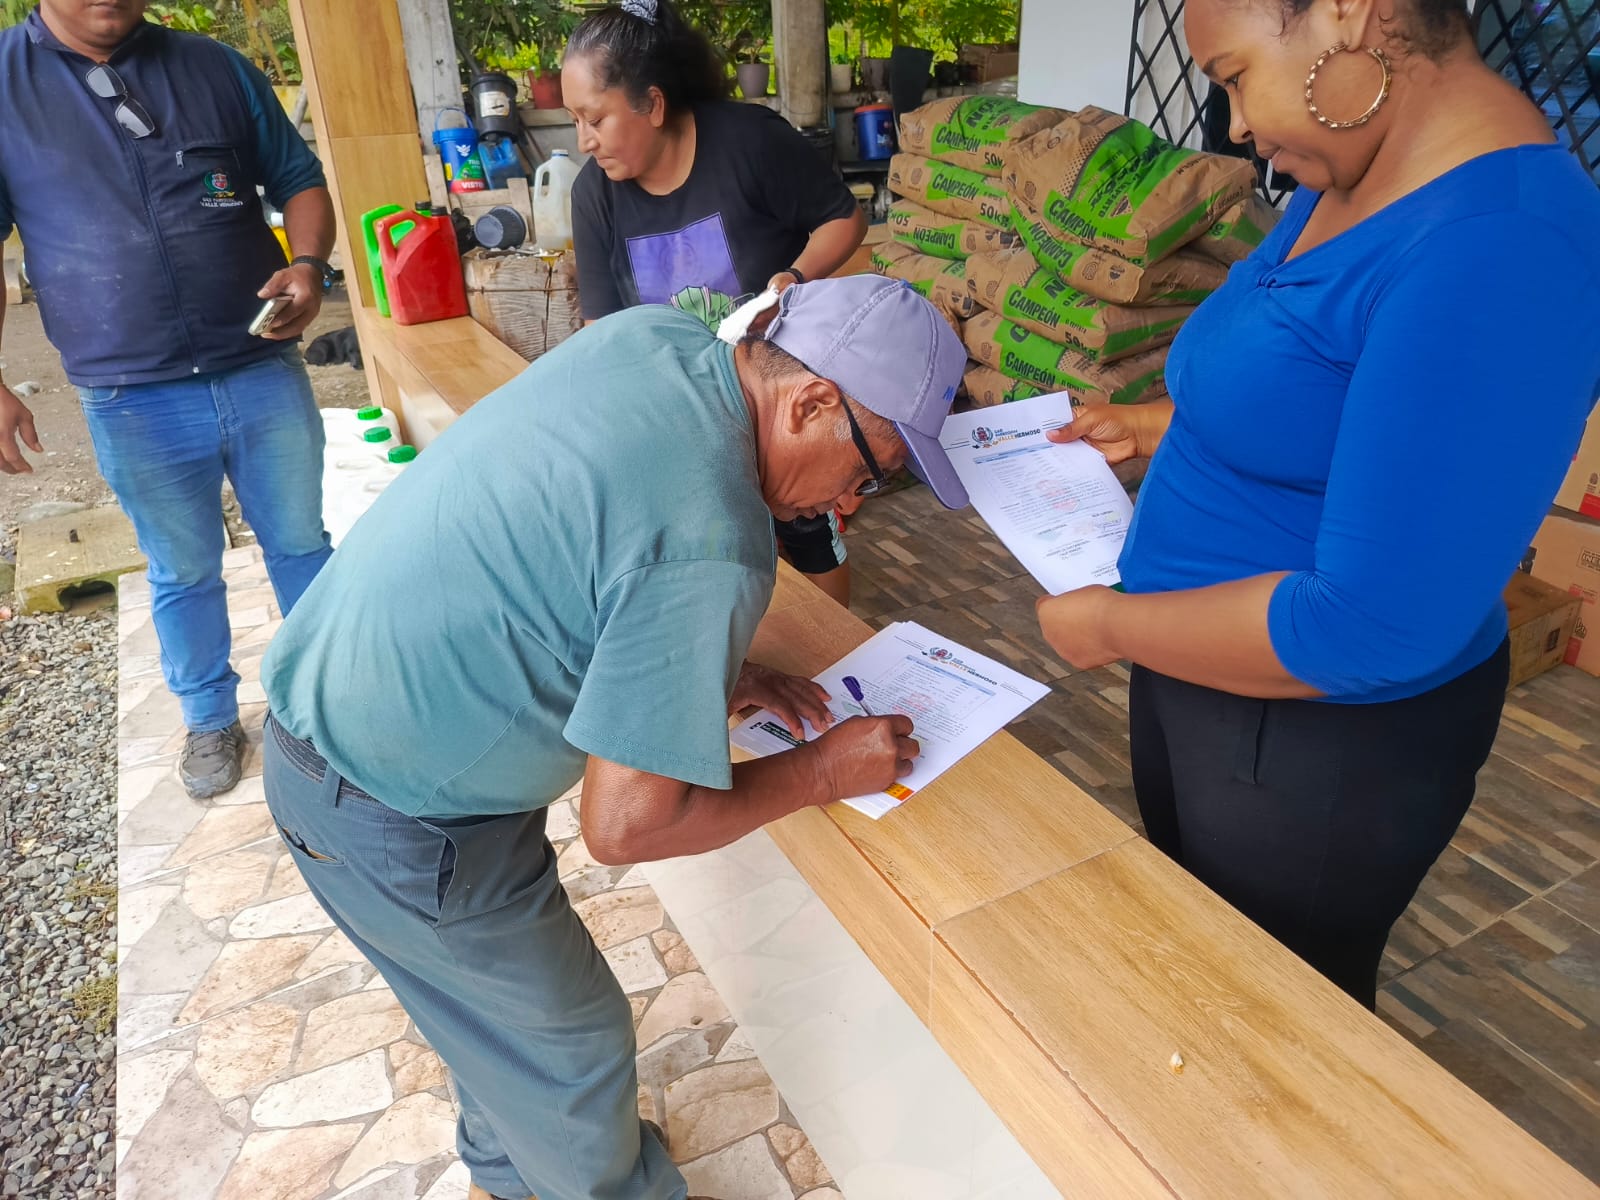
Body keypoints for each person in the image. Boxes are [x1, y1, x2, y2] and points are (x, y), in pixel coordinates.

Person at [260, 276, 966, 1200]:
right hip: (395, 810)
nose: (856, 502)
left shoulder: (655, 339)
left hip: (347, 726)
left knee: (496, 1022)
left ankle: (508, 1179)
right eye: (869, 472)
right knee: (570, 1046)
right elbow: (627, 827)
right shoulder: (715, 540)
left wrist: (707, 670)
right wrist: (824, 770)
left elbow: (598, 544)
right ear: (810, 403)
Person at [1035, 0, 1600, 1010]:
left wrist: (1110, 627)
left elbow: (1366, 627)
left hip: (1314, 745)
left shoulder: (1498, 247)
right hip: (1213, 684)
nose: (1237, 124)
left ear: (1348, 11)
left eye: (1233, 75)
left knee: (1272, 1025)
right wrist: (1158, 426)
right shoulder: (1357, 170)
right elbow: (1318, 392)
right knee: (1202, 978)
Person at [0, 0, 338, 798]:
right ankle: (210, 718)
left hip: (259, 364)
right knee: (182, 567)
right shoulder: (7, 85)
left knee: (301, 545)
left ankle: (334, 696)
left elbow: (299, 180)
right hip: (130, 392)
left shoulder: (214, 67)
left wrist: (309, 264)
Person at [564, 0, 870, 607]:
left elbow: (844, 218)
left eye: (594, 119)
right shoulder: (594, 195)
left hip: (778, 407)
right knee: (704, 564)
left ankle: (841, 652)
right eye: (573, 120)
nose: (583, 141)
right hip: (678, 419)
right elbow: (603, 332)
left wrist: (793, 277)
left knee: (809, 538)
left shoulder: (747, 141)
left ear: (653, 104)